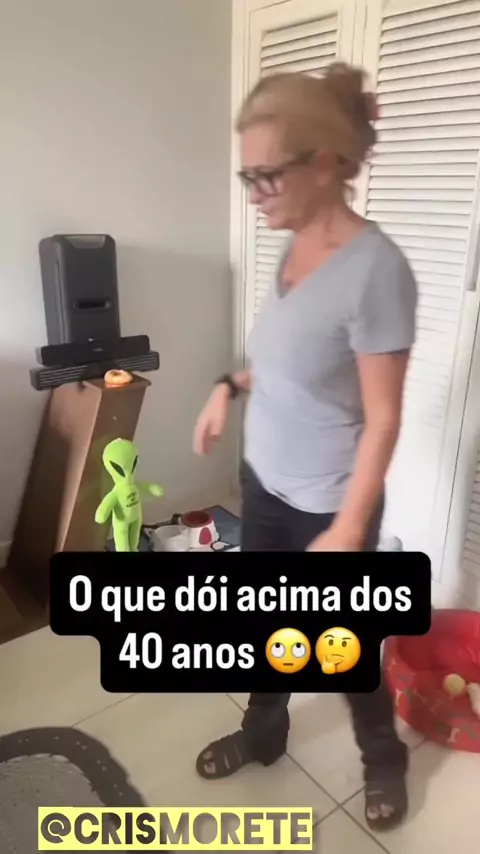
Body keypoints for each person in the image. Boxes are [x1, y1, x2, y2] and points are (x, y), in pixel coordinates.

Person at [192, 63, 417, 832]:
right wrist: (227, 386)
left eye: (265, 176)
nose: (253, 194)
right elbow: (288, 364)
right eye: (246, 176)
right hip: (266, 484)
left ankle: (385, 760)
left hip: (329, 504)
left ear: (323, 163)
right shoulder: (290, 251)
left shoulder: (376, 271)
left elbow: (383, 416)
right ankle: (265, 732)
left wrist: (349, 529)